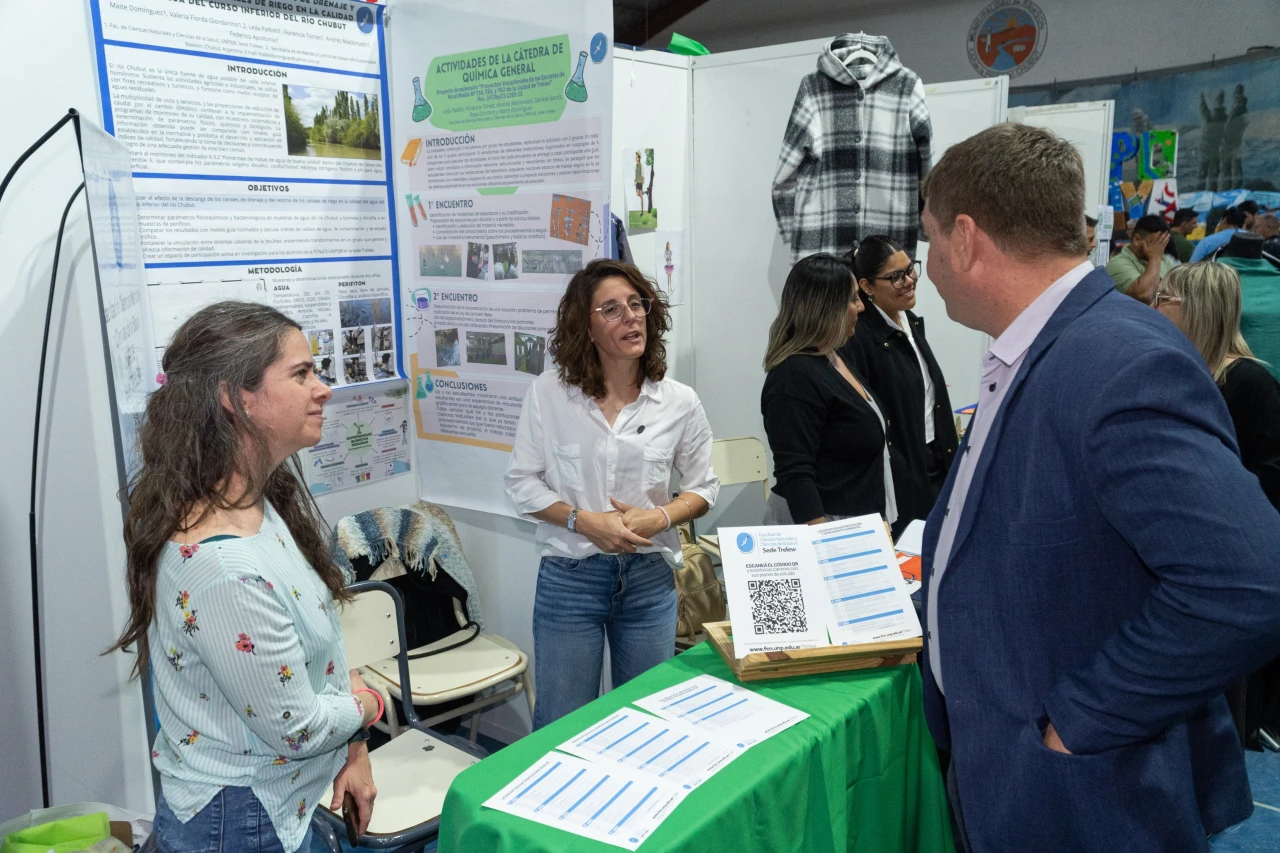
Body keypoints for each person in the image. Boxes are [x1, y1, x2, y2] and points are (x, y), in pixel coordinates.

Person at [918, 122, 1280, 852]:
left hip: (1085, 794)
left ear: (966, 238)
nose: (927, 265)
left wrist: (1079, 720)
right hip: (1017, 771)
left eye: (928, 239)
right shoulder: (1041, 351)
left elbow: (1249, 582)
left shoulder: (1118, 360)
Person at [109, 302, 383, 853]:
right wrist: (371, 705)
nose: (323, 389)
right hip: (240, 825)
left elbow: (317, 646)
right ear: (236, 398)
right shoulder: (222, 569)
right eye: (301, 374)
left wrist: (355, 747)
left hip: (280, 803)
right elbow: (300, 728)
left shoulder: (257, 502)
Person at [504, 259, 718, 730]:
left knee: (648, 720)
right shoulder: (549, 394)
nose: (631, 317)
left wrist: (660, 518)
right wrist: (584, 521)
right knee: (561, 723)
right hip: (570, 578)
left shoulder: (678, 401)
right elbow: (521, 483)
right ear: (586, 328)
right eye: (612, 309)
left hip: (648, 577)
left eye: (636, 304)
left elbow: (703, 487)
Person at [760, 253, 898, 531]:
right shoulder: (793, 377)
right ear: (827, 308)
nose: (861, 307)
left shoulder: (834, 357)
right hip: (822, 528)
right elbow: (797, 474)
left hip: (854, 524)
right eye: (853, 299)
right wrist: (823, 543)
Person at [845, 235, 958, 524]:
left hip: (936, 458)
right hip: (901, 475)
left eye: (910, 269)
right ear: (866, 286)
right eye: (896, 277)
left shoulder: (909, 319)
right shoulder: (860, 337)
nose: (909, 280)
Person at [1152, 262, 1280, 508]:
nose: (1152, 308)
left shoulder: (1252, 383)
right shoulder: (1175, 369)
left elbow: (1271, 478)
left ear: (1197, 308)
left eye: (1162, 298)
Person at [1106, 214, 1175, 303]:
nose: (1160, 248)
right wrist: (1154, 258)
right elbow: (1144, 295)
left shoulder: (1165, 260)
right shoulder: (1117, 263)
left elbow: (1177, 291)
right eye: (1156, 243)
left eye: (1163, 243)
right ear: (1137, 239)